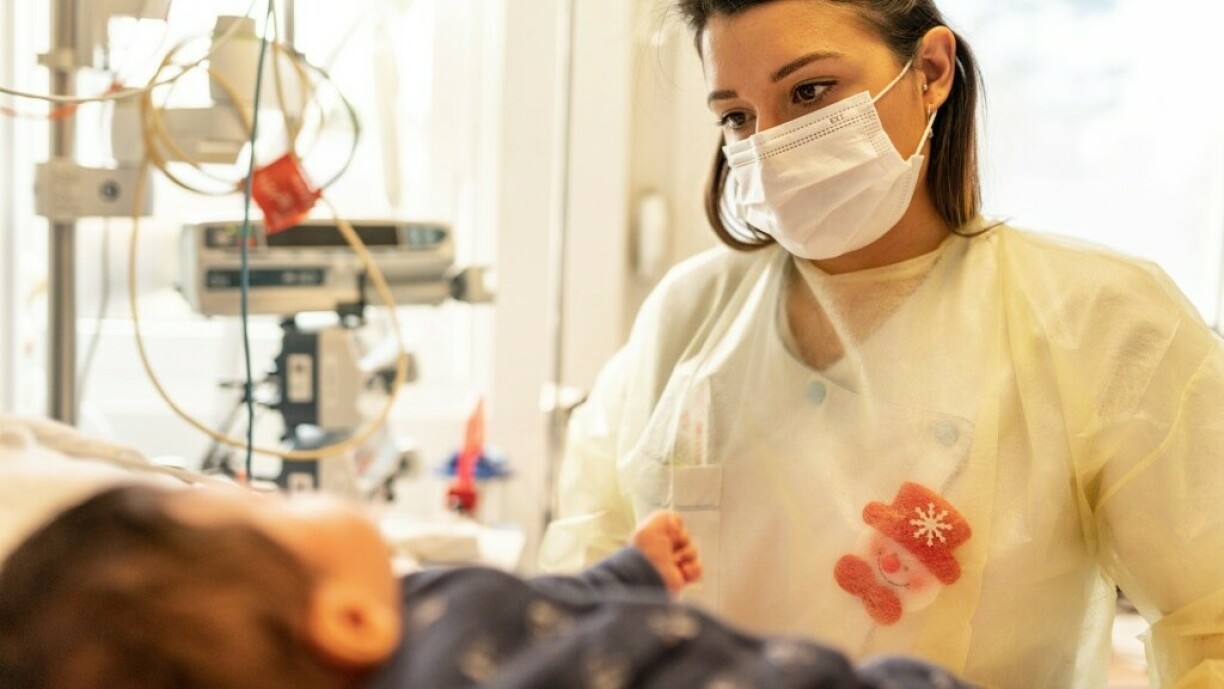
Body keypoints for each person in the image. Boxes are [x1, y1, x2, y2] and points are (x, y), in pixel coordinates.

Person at [539, 1, 1224, 687]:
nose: (770, 144)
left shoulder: (1096, 319)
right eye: (738, 117)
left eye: (810, 91)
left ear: (931, 70)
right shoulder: (689, 314)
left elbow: (1212, 624)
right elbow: (584, 590)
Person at [0, 483, 975, 689]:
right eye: (267, 503)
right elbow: (579, 637)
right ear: (346, 617)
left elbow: (551, 617)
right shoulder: (436, 615)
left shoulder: (431, 637)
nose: (273, 487)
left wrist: (631, 571)